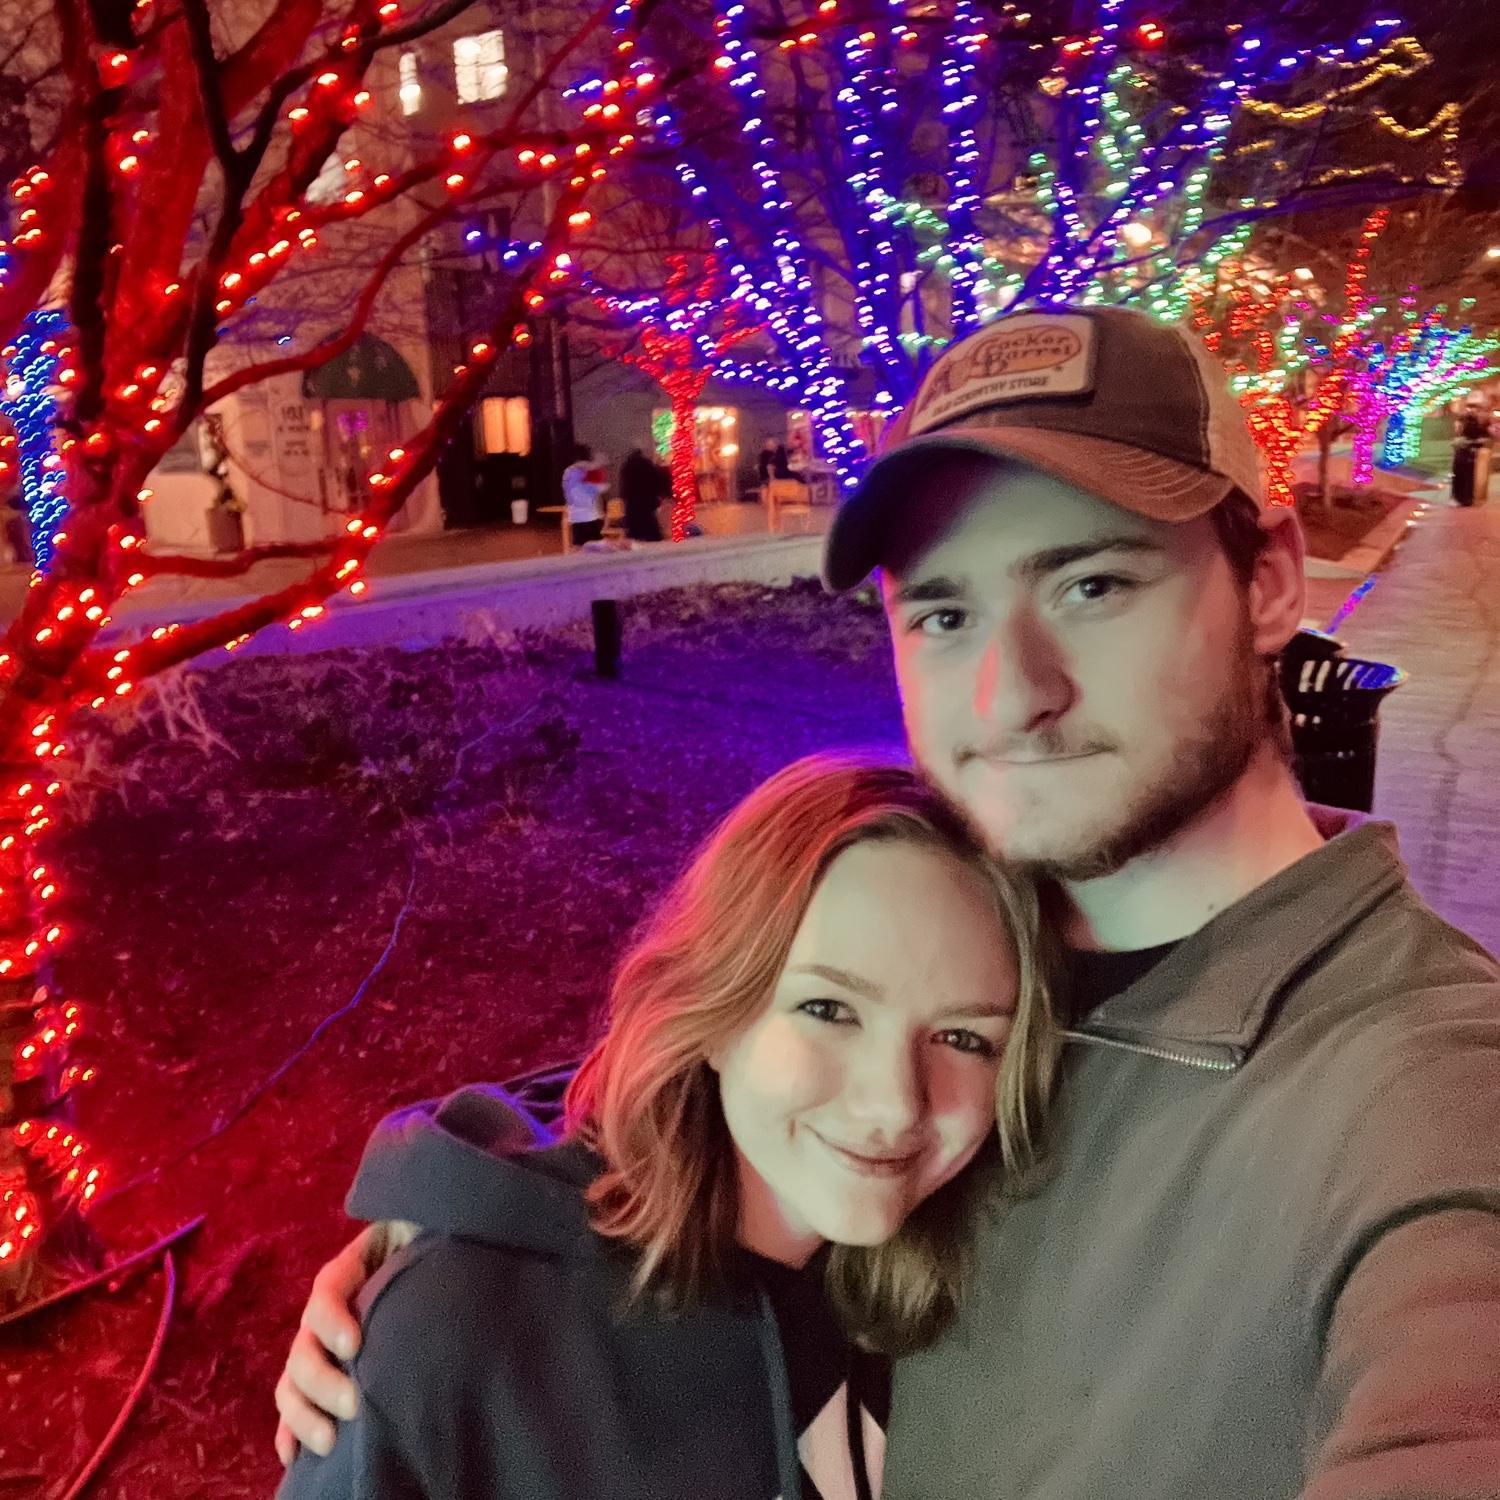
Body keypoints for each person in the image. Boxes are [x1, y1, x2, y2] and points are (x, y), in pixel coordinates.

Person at [278, 305, 1500, 1496]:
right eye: (946, 614)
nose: (1010, 695)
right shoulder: (984, 932)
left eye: (1092, 586)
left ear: (1273, 582)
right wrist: (479, 1226)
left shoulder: (1425, 1087)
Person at [277, 754, 1060, 1499]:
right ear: (711, 1013)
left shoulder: (978, 1269)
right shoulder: (451, 1338)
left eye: (964, 1038)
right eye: (828, 1010)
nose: (896, 1104)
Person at [561, 443, 609, 546]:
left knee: (583, 545)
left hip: (579, 515)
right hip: (587, 515)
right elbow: (591, 488)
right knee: (593, 546)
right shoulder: (578, 472)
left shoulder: (569, 472)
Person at [1451, 396, 1492, 507]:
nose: (1471, 410)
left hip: (1470, 451)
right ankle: (1460, 497)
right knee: (1460, 474)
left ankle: (1467, 497)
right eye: (1470, 408)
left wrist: (1477, 441)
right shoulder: (1463, 420)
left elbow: (1483, 435)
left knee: (1468, 475)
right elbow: (1458, 433)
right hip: (1463, 450)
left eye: (1474, 408)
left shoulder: (1478, 422)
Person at [619, 445, 665, 541]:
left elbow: (624, 486)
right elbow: (656, 481)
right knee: (650, 523)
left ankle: (637, 541)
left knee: (635, 528)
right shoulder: (648, 465)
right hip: (648, 499)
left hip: (632, 501)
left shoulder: (627, 467)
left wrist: (624, 497)